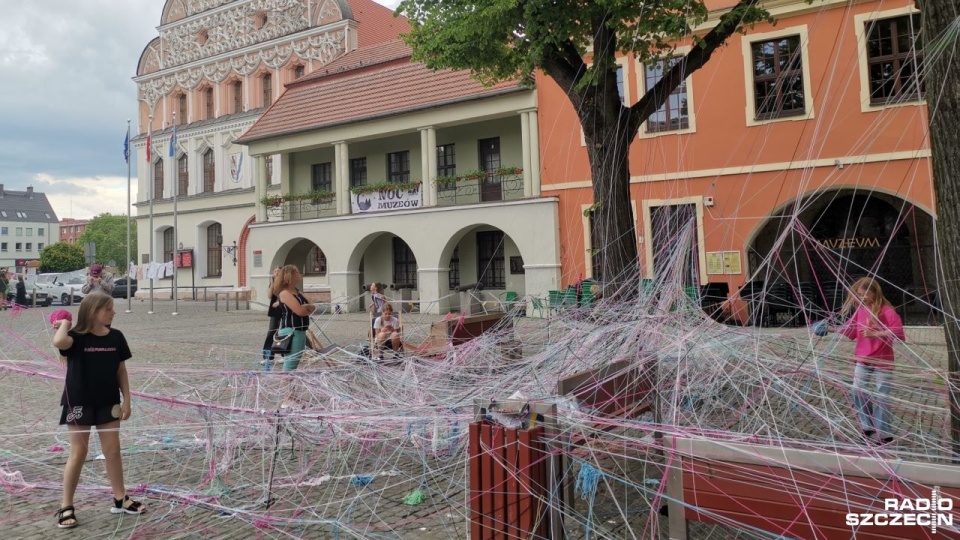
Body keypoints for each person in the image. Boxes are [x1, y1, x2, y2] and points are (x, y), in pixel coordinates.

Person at [51, 293, 145, 528]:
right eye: (108, 309)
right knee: (78, 453)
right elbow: (58, 342)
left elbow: (121, 370)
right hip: (79, 403)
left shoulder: (116, 337)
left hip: (108, 402)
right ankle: (66, 505)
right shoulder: (75, 338)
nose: (113, 313)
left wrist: (127, 401)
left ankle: (120, 498)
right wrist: (64, 323)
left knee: (113, 450)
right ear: (93, 311)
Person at [826, 277, 905, 445]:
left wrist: (876, 333)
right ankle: (867, 426)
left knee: (881, 396)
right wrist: (829, 328)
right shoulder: (860, 311)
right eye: (858, 295)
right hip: (862, 359)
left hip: (882, 360)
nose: (861, 298)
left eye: (864, 295)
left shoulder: (886, 310)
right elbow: (850, 330)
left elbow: (897, 331)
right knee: (857, 390)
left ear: (874, 293)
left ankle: (884, 434)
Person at [273, 265, 317, 372]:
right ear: (290, 276)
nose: (299, 274)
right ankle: (285, 388)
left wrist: (306, 307)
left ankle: (289, 388)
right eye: (297, 272)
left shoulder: (297, 291)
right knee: (290, 366)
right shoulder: (285, 293)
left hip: (300, 330)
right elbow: (300, 312)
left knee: (294, 365)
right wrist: (305, 308)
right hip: (291, 331)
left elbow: (312, 306)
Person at [260, 266, 283, 369]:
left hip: (283, 309)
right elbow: (270, 295)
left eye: (278, 271)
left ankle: (285, 354)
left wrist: (279, 302)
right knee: (271, 332)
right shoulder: (273, 283)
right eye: (275, 271)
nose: (276, 273)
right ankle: (267, 356)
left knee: (283, 333)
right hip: (274, 311)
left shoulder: (284, 283)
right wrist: (272, 281)